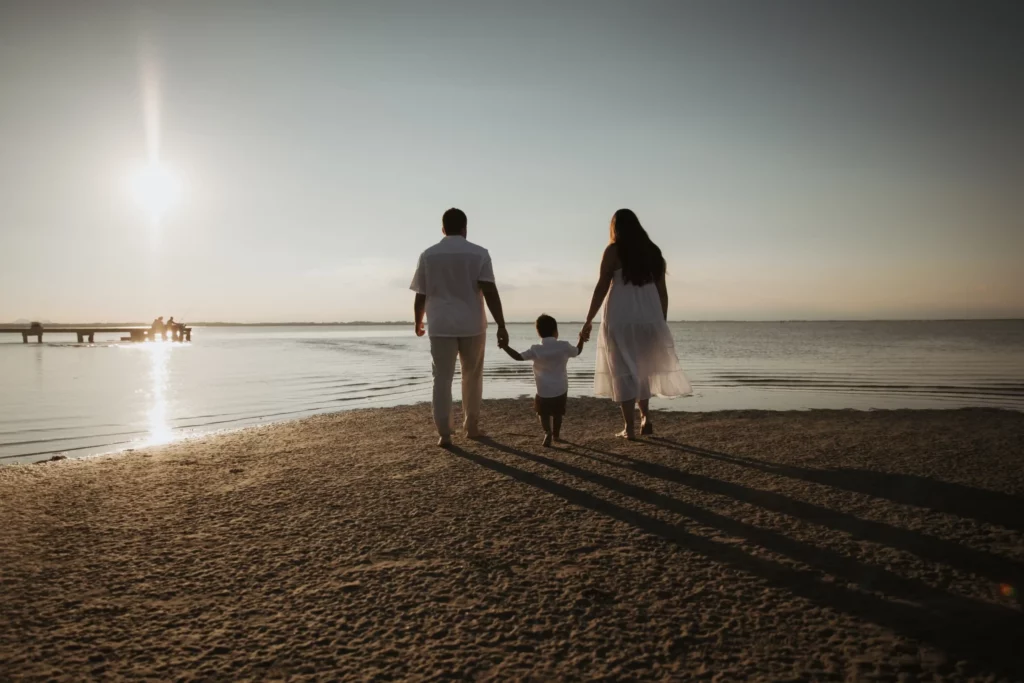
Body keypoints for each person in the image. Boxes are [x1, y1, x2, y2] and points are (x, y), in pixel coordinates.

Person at [580, 209, 691, 439]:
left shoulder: (613, 251)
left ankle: (629, 428)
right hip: (648, 319)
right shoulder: (654, 253)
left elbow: (602, 286)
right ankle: (646, 418)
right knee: (643, 371)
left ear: (615, 228)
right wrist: (661, 322)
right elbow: (662, 292)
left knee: (622, 371)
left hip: (619, 318)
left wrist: (588, 319)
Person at [411, 208, 509, 447]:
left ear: (443, 229)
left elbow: (421, 294)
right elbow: (490, 291)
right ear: (465, 228)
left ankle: (444, 433)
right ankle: (471, 426)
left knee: (441, 379)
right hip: (472, 324)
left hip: (441, 324)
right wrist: (501, 325)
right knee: (472, 376)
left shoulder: (428, 255)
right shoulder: (479, 254)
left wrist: (418, 320)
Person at [499, 314, 586, 447]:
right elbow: (577, 351)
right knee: (558, 414)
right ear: (556, 331)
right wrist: (581, 339)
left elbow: (518, 357)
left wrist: (505, 347)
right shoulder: (564, 346)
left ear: (538, 332)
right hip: (560, 388)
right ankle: (556, 434)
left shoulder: (535, 349)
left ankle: (547, 432)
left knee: (542, 413)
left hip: (543, 390)